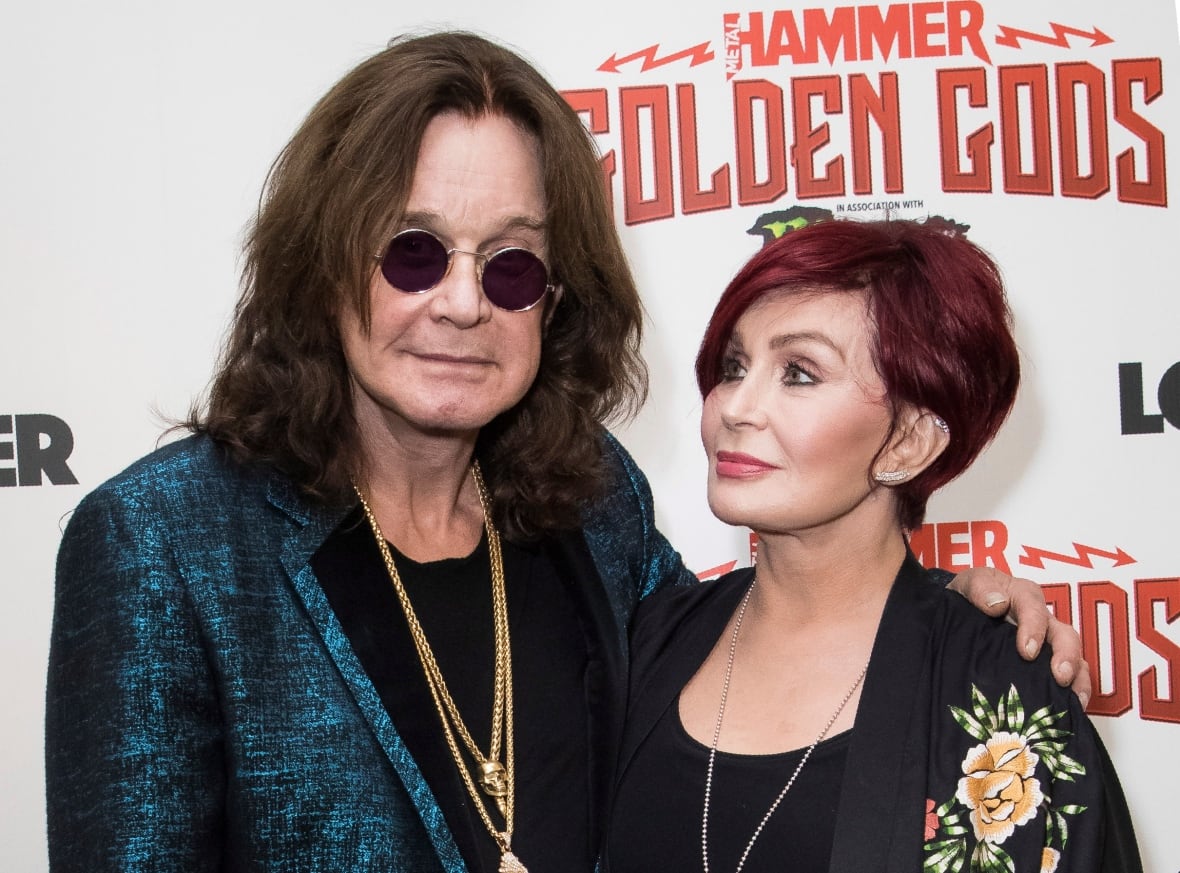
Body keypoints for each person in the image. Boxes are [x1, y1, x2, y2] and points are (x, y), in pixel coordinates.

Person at [45, 32, 1087, 873]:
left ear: (553, 298)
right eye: (412, 253)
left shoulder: (592, 503)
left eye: (509, 266)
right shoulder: (165, 543)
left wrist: (953, 618)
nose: (460, 303)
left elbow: (763, 646)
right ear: (325, 270)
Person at [604, 219, 1140, 873]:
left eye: (798, 372)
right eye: (734, 365)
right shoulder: (648, 640)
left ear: (908, 442)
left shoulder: (1000, 695)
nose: (736, 406)